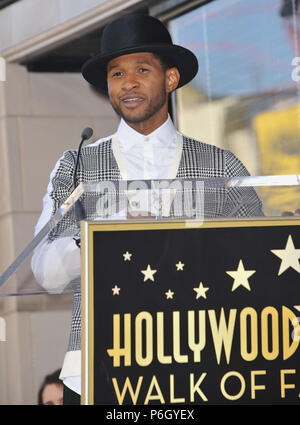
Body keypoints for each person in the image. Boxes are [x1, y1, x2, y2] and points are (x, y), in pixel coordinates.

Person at [31, 14, 263, 404]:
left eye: (142, 69)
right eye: (117, 74)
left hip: (201, 366)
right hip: (97, 371)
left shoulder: (221, 166)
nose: (129, 83)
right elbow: (46, 273)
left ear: (170, 79)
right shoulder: (76, 166)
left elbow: (258, 263)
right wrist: (97, 235)